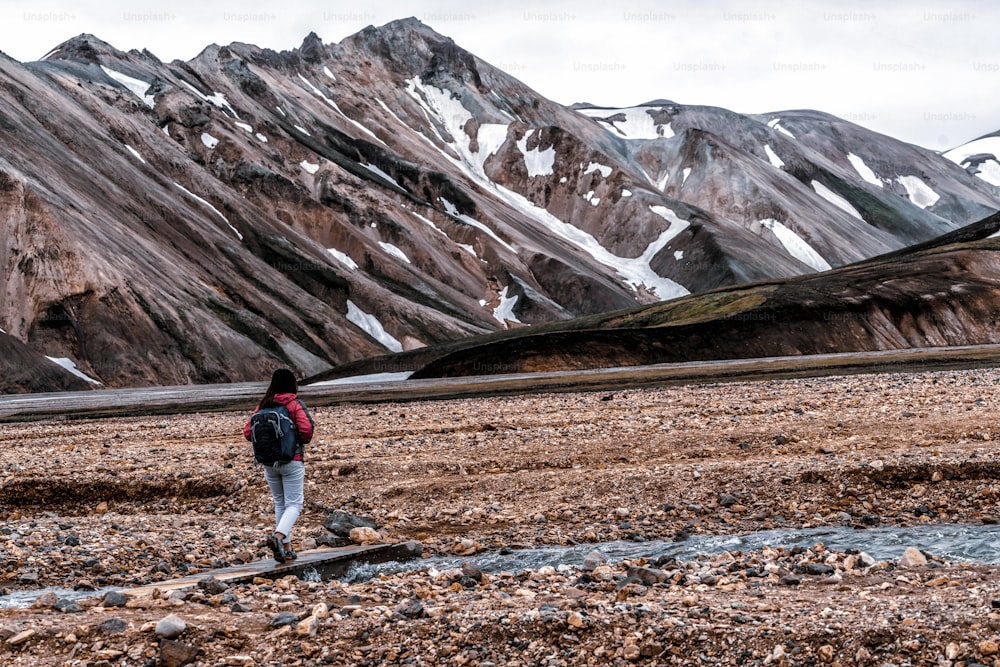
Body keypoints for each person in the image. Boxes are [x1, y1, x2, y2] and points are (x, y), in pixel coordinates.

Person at [243, 368, 314, 563]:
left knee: (280, 503)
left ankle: (287, 549)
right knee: (295, 504)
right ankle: (279, 536)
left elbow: (248, 433)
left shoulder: (263, 405)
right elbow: (307, 432)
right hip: (292, 461)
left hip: (268, 462)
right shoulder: (294, 404)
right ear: (292, 384)